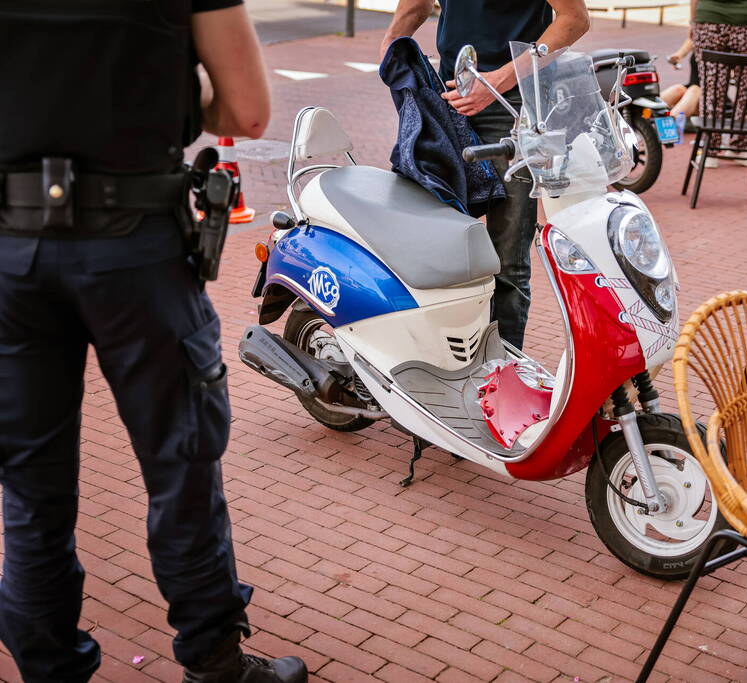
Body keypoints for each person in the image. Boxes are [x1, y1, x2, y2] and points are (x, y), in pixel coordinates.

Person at [0, 3, 307, 682]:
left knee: (29, 482)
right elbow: (247, 112)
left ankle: (48, 667)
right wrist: (166, 88)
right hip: (136, 245)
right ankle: (215, 662)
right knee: (181, 463)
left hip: (12, 250)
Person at [380, 0, 590, 351]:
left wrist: (499, 79)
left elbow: (575, 19)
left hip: (512, 109)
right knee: (434, 245)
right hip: (447, 101)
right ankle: (442, 359)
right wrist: (389, 47)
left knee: (507, 259)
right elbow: (417, 4)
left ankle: (504, 372)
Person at [688, 0, 747, 167]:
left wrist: (694, 21)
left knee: (712, 88)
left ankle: (710, 150)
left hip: (709, 24)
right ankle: (740, 146)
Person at [663, 38, 702, 120]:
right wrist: (678, 56)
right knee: (678, 89)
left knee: (694, 90)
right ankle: (639, 114)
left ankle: (669, 123)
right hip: (692, 92)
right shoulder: (699, 35)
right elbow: (691, 39)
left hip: (712, 98)